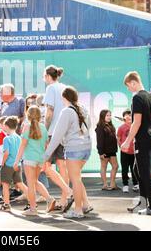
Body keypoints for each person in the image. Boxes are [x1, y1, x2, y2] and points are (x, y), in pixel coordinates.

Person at [45, 86, 93, 219]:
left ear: (64, 98)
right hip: (86, 148)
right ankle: (85, 205)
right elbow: (89, 127)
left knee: (75, 180)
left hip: (74, 149)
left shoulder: (66, 111)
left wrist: (46, 155)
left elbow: (57, 136)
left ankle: (78, 210)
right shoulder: (82, 109)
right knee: (77, 178)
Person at [121, 71, 151, 216]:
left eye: (128, 86)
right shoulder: (149, 96)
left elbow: (136, 122)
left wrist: (127, 141)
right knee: (138, 170)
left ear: (133, 82)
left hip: (143, 140)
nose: (128, 89)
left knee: (144, 172)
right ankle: (143, 204)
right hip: (150, 138)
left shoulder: (137, 97)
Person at [14, 106, 55, 216]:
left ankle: (33, 209)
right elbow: (47, 146)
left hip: (29, 159)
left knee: (31, 184)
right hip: (40, 160)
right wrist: (46, 161)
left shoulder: (27, 127)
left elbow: (22, 146)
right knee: (35, 182)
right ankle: (49, 199)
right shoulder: (43, 127)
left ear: (28, 115)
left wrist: (16, 161)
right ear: (39, 116)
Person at [42, 65, 72, 210]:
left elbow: (49, 112)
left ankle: (67, 193)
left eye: (44, 76)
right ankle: (64, 200)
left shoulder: (51, 88)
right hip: (65, 132)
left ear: (48, 76)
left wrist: (44, 130)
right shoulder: (64, 87)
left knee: (46, 167)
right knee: (62, 167)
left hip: (52, 133)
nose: (44, 79)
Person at [0, 116, 28, 213]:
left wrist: (2, 163)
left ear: (6, 126)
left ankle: (6, 205)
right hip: (17, 164)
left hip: (8, 165)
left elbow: (6, 153)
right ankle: (32, 200)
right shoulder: (19, 138)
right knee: (20, 184)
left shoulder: (7, 139)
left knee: (5, 185)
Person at [96, 110, 119, 190]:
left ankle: (112, 184)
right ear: (103, 117)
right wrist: (101, 152)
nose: (109, 117)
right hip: (104, 151)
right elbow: (99, 141)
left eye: (110, 115)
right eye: (107, 115)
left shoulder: (110, 126)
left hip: (112, 150)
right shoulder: (100, 127)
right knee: (104, 167)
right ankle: (105, 185)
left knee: (115, 166)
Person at [117, 110, 139, 193]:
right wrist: (121, 147)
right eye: (127, 115)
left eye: (130, 115)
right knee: (124, 169)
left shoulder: (136, 126)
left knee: (134, 169)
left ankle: (136, 184)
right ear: (124, 118)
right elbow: (118, 138)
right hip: (124, 152)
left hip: (134, 152)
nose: (129, 117)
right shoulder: (121, 128)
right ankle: (125, 185)